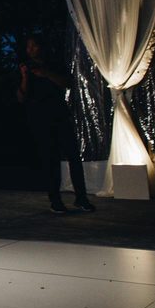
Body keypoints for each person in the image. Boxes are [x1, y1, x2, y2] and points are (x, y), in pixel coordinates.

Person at [17, 35, 96, 214]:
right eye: (28, 46)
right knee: (50, 160)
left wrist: (46, 74)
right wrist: (24, 77)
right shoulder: (25, 68)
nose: (30, 50)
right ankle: (55, 200)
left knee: (73, 158)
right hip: (39, 119)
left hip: (59, 115)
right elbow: (21, 97)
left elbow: (67, 83)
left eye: (34, 46)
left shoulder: (54, 64)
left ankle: (81, 198)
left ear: (41, 47)